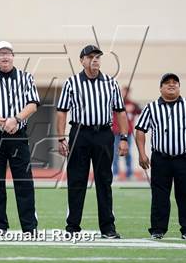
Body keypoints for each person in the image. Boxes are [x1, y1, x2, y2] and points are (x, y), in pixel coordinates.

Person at [56, 44, 129, 239]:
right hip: (80, 133)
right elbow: (62, 111)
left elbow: (120, 111)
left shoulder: (110, 83)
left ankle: (108, 227)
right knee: (77, 181)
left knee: (104, 181)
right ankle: (72, 227)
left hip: (104, 134)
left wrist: (123, 137)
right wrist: (61, 137)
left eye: (97, 57)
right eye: (90, 57)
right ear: (82, 61)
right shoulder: (71, 83)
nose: (95, 60)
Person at [0, 41, 39, 235]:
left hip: (18, 136)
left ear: (13, 56)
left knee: (24, 182)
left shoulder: (26, 78)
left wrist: (16, 119)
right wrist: (4, 122)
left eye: (8, 53)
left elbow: (33, 104)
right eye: (1, 54)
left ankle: (29, 227)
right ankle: (0, 227)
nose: (4, 57)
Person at [135, 73, 186, 240]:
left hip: (184, 157)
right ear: (160, 88)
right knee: (160, 196)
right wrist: (142, 153)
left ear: (179, 87)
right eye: (167, 83)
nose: (171, 85)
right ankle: (158, 229)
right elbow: (140, 130)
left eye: (175, 82)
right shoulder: (151, 107)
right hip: (161, 158)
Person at [112, 86, 141, 180]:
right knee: (116, 153)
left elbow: (140, 110)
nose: (125, 94)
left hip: (128, 133)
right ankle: (115, 173)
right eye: (123, 92)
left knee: (128, 153)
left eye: (127, 92)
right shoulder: (116, 103)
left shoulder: (132, 104)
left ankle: (129, 173)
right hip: (117, 132)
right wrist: (124, 108)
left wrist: (132, 107)